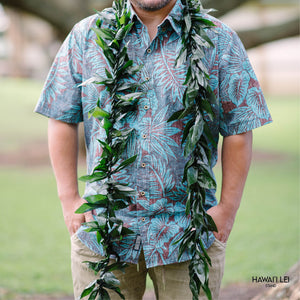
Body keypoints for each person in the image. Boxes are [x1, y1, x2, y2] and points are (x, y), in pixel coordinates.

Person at [35, 0, 272, 299]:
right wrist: (69, 198)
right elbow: (61, 116)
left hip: (189, 232)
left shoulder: (219, 39)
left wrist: (227, 209)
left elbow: (238, 129)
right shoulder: (87, 36)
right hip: (103, 231)